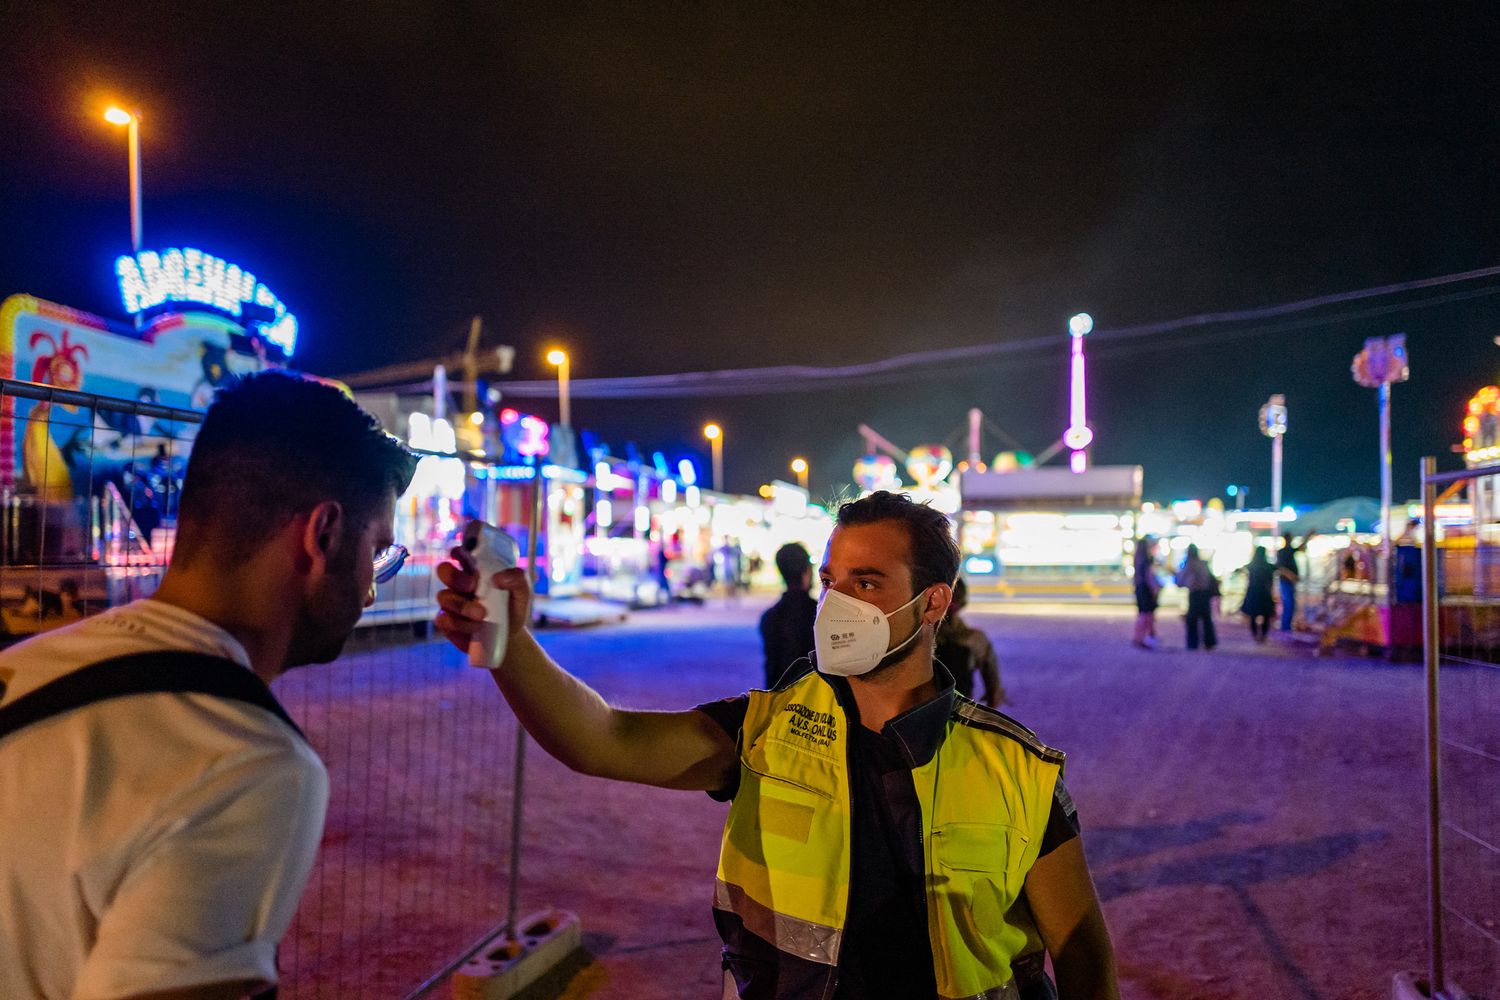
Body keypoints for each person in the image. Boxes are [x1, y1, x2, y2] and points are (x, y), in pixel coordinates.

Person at [436, 490, 1118, 1000]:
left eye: (868, 582)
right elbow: (602, 739)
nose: (838, 603)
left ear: (935, 604)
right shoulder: (763, 731)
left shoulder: (1018, 768)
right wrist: (511, 647)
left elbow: (1082, 948)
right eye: (832, 581)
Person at [0, 372, 418, 1000]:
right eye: (378, 550)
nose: (372, 586)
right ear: (323, 536)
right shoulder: (249, 765)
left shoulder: (31, 664)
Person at [934, 576, 1006, 706]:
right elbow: (994, 695)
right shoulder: (975, 640)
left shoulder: (918, 640)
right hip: (957, 718)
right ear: (963, 602)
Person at [759, 541, 818, 687]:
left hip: (780, 700)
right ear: (806, 571)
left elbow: (772, 668)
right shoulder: (820, 613)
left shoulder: (770, 617)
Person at [1175, 544, 1218, 651]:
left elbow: (1180, 580)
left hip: (1195, 594)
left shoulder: (1189, 564)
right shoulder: (1203, 564)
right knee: (1206, 618)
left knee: (1192, 619)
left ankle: (1192, 643)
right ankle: (1209, 642)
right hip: (1204, 593)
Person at [1275, 530, 1313, 632]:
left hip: (1289, 582)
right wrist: (1291, 576)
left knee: (1290, 604)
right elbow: (1280, 568)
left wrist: (1308, 536)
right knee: (1288, 604)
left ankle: (1287, 626)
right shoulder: (1283, 551)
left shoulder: (1288, 550)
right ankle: (1285, 627)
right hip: (1286, 582)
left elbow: (1301, 548)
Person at [1240, 546, 1276, 641]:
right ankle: (1263, 635)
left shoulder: (1251, 566)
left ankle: (1255, 634)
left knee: (1253, 615)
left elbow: (1241, 570)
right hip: (1265, 592)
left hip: (1253, 592)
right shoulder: (1269, 566)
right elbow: (1279, 570)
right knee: (1266, 615)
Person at [1132, 535, 1161, 649]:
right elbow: (1149, 577)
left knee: (1142, 615)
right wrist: (1154, 589)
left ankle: (1139, 637)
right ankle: (1143, 638)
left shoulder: (1137, 559)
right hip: (1146, 589)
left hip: (1139, 589)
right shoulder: (1146, 560)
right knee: (1147, 615)